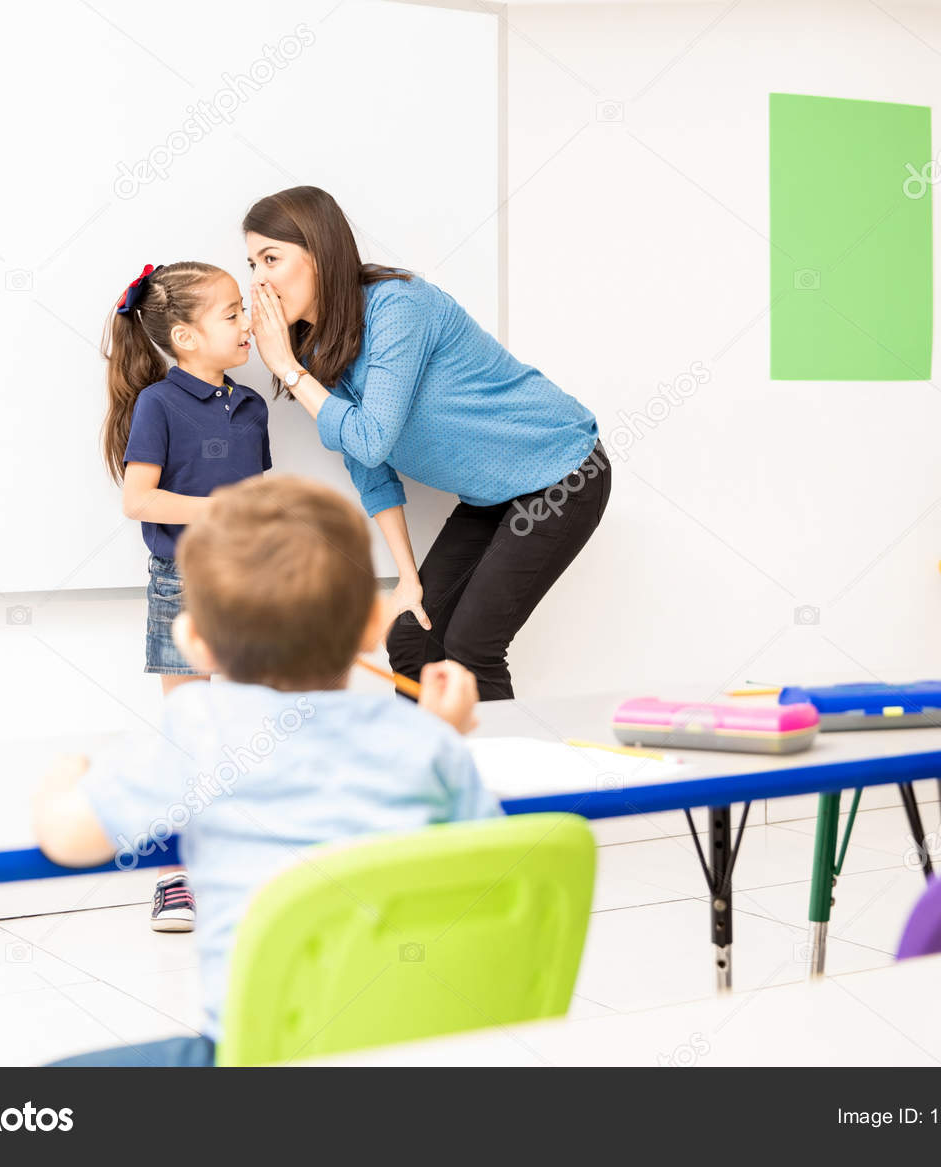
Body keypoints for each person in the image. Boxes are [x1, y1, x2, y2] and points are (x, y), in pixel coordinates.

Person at [33, 475, 498, 1065]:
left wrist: (62, 778)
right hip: (402, 1050)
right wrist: (441, 736)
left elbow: (72, 838)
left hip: (256, 1055)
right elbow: (482, 864)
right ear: (369, 629)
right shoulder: (426, 744)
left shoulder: (199, 724)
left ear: (195, 642)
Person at [242, 185, 608, 700]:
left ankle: (495, 780)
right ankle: (424, 773)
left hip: (561, 472)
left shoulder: (398, 306)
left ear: (319, 255)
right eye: (252, 262)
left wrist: (287, 368)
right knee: (412, 636)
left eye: (270, 258)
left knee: (471, 650)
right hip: (493, 495)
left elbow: (371, 441)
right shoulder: (320, 344)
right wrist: (407, 580)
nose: (258, 279)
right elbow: (370, 469)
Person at [101, 261, 272, 931]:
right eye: (232, 313)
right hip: (182, 586)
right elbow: (138, 498)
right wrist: (221, 509)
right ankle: (178, 878)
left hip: (249, 584)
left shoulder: (251, 405)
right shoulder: (159, 404)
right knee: (191, 736)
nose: (247, 323)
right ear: (186, 336)